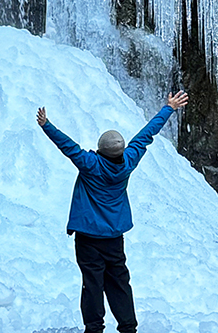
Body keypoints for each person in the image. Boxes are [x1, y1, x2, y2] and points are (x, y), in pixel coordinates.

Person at [36, 91, 189, 333]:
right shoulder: (128, 162)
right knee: (119, 282)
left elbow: (68, 147)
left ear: (99, 149)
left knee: (92, 284)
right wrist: (168, 108)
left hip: (87, 238)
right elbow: (146, 135)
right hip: (114, 238)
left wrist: (47, 125)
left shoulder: (90, 164)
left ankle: (94, 328)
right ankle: (128, 328)